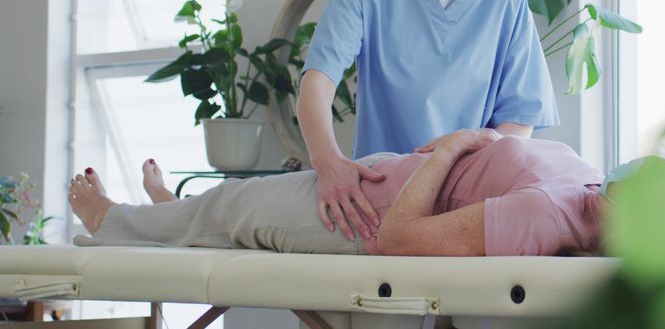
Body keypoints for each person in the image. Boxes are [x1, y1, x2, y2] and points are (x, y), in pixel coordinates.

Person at [296, 0, 559, 244]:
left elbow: (520, 119)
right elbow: (317, 80)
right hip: (381, 197)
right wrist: (329, 165)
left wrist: (476, 163)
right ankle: (168, 205)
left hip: (468, 198)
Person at [70, 131, 601, 256]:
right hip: (384, 178)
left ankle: (113, 222)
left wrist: (452, 148)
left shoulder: (548, 215)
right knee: (225, 205)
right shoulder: (584, 182)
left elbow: (398, 239)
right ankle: (173, 212)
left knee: (228, 207)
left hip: (365, 213)